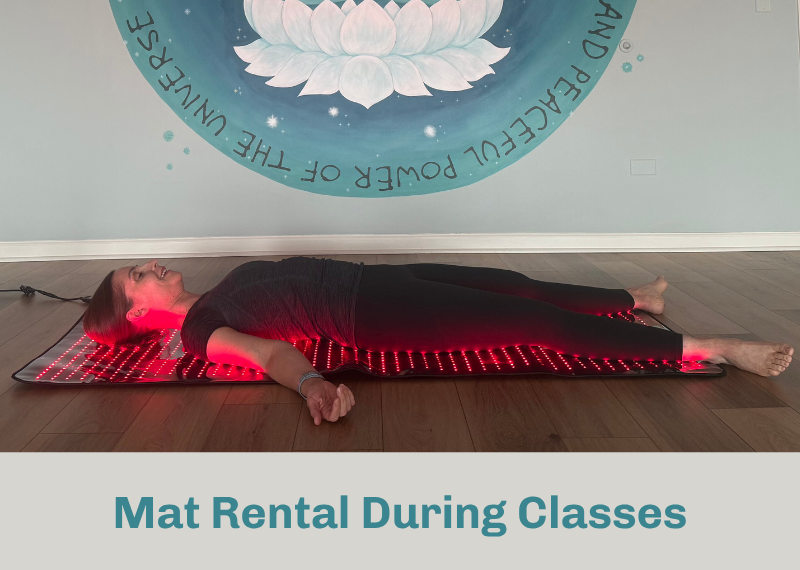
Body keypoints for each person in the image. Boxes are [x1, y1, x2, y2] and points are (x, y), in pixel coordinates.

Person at [83, 257, 794, 426]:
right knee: (533, 327)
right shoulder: (202, 332)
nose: (150, 266)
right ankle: (711, 346)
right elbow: (267, 354)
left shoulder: (211, 291)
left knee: (513, 284)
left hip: (373, 280)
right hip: (375, 316)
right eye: (135, 277)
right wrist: (311, 384)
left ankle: (631, 301)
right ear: (137, 313)